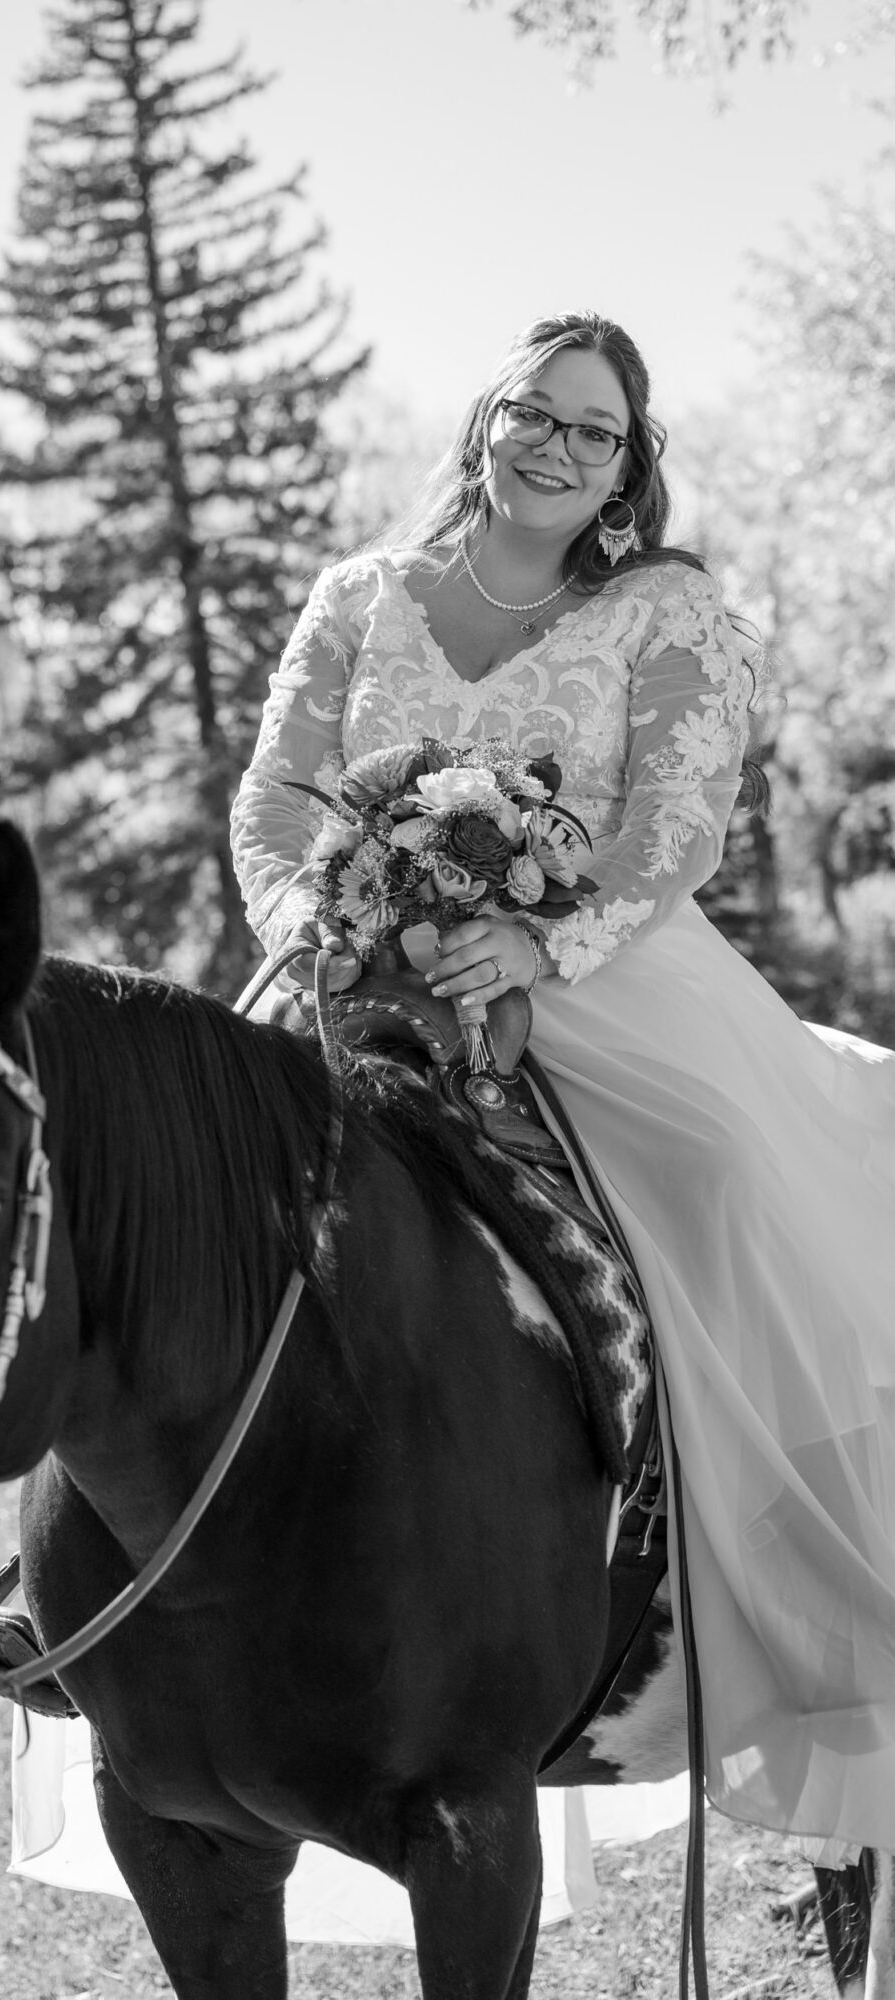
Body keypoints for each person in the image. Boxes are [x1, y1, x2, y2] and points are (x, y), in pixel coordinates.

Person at [229, 310, 895, 1862]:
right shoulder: (358, 596)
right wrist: (304, 927)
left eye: (593, 431)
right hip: (348, 969)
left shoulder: (662, 611)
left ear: (622, 467)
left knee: (726, 1170)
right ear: (487, 418)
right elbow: (272, 795)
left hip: (596, 976)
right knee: (176, 1187)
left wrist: (539, 948)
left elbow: (673, 833)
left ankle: (791, 1578)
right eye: (535, 411)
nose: (555, 446)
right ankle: (87, 1584)